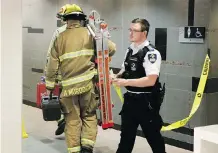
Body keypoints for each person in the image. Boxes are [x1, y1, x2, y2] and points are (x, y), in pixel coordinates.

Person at [45, 4, 116, 153]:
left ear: (66, 20)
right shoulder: (90, 34)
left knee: (72, 120)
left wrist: (50, 86)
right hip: (88, 86)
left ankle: (74, 150)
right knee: (89, 116)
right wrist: (100, 39)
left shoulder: (60, 38)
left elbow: (51, 64)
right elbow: (111, 49)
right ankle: (87, 147)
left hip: (68, 90)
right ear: (81, 18)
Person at [112, 18, 166, 153]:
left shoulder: (151, 53)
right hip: (130, 100)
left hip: (146, 102)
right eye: (130, 30)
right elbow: (125, 69)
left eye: (134, 30)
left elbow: (151, 80)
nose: (130, 33)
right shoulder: (130, 50)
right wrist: (116, 76)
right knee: (126, 137)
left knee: (153, 137)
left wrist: (126, 82)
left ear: (144, 33)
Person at [44, 5, 68, 136]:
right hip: (83, 78)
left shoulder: (59, 32)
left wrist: (49, 80)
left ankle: (62, 120)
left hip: (63, 76)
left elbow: (51, 57)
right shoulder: (86, 31)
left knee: (60, 100)